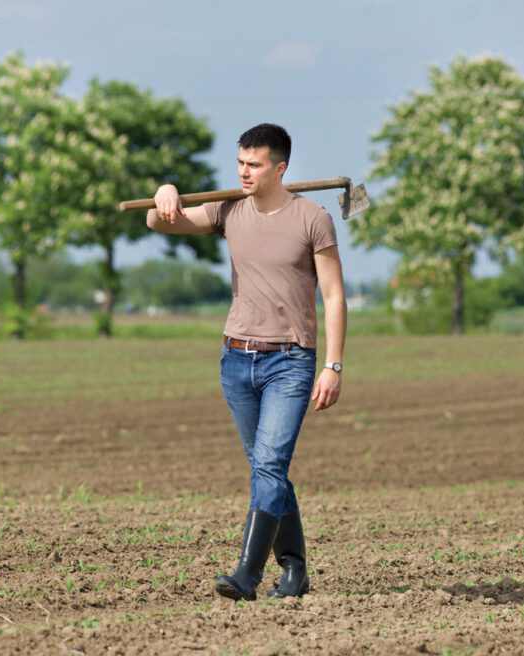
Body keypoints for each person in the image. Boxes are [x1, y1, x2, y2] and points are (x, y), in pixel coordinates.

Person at [147, 123, 347, 601]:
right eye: (240, 162)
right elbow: (160, 223)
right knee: (266, 469)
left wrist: (333, 366)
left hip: (290, 362)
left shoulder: (312, 218)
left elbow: (335, 295)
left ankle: (246, 576)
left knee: (270, 466)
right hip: (236, 360)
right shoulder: (228, 208)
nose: (244, 171)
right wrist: (164, 195)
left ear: (280, 168)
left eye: (254, 164)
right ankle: (294, 569)